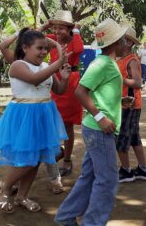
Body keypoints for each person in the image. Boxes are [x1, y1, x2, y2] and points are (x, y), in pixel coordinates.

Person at [55, 19, 128, 226]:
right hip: (98, 129)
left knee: (90, 176)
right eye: (124, 40)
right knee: (107, 180)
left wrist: (119, 101)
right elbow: (80, 91)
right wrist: (100, 116)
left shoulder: (106, 63)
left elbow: (98, 94)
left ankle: (65, 216)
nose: (126, 43)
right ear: (116, 42)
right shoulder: (102, 64)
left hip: (98, 129)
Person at [0, 28, 69, 213]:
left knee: (38, 158)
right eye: (39, 48)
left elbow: (58, 90)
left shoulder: (45, 67)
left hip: (44, 114)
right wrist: (58, 61)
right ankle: (6, 186)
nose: (43, 52)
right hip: (25, 116)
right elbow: (34, 80)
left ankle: (22, 195)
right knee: (27, 159)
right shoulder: (17, 65)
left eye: (45, 49)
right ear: (25, 48)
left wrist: (63, 78)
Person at [38, 10, 84, 176]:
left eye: (61, 28)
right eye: (55, 28)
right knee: (50, 120)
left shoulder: (74, 41)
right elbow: (32, 35)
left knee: (67, 124)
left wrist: (77, 29)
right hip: (53, 81)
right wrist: (46, 25)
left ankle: (67, 159)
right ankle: (58, 152)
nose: (57, 32)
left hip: (70, 82)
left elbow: (79, 49)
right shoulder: (51, 38)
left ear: (70, 29)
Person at [116, 23, 146, 183]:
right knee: (135, 137)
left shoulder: (131, 60)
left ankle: (126, 170)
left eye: (119, 40)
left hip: (129, 105)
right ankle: (143, 169)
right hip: (128, 104)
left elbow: (137, 83)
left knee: (122, 138)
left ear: (128, 42)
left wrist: (119, 79)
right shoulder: (123, 59)